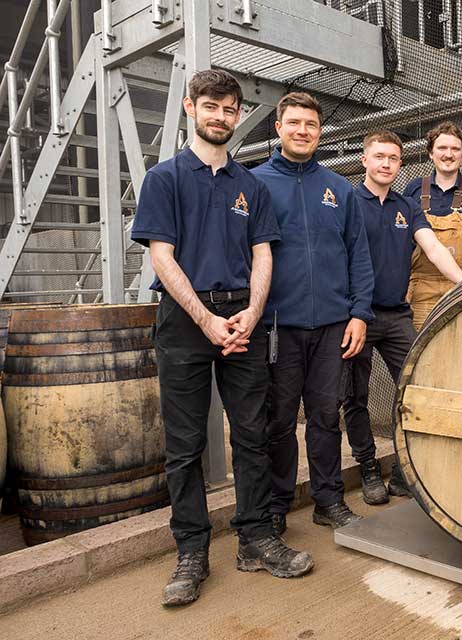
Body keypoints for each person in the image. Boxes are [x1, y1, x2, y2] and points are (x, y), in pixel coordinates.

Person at [132, 70, 313, 608]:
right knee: (185, 447)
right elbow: (161, 256)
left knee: (252, 434)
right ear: (190, 107)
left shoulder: (250, 186)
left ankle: (256, 537)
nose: (221, 117)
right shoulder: (164, 179)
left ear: (238, 116)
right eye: (211, 106)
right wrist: (206, 319)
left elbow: (263, 253)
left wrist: (252, 313)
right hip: (185, 321)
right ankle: (191, 551)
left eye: (230, 109)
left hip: (242, 319)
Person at [251, 92, 375, 533]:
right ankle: (277, 505)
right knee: (279, 421)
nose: (303, 131)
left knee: (325, 417)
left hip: (332, 327)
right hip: (277, 328)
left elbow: (358, 255)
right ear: (278, 128)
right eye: (295, 123)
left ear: (319, 132)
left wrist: (359, 313)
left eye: (311, 124)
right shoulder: (256, 184)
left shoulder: (339, 189)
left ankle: (328, 500)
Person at [343, 130, 462, 503]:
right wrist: (351, 312)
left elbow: (432, 247)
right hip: (356, 316)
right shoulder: (349, 201)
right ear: (364, 160)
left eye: (393, 158)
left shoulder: (407, 206)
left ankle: (402, 470)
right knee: (355, 396)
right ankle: (367, 468)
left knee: (417, 385)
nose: (386, 164)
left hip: (397, 314)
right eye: (379, 156)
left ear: (401, 163)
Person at [402, 121, 462, 329]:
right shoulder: (414, 189)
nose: (449, 154)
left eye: (455, 149)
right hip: (422, 291)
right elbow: (402, 242)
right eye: (442, 148)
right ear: (430, 153)